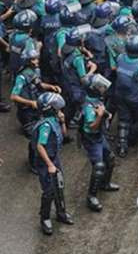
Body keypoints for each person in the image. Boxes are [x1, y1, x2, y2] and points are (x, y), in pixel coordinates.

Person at [32, 92, 74, 235]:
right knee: (48, 191)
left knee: (59, 186)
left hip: (55, 158)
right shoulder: (45, 125)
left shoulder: (54, 120)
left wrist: (62, 121)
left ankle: (61, 213)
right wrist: (50, 164)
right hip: (46, 162)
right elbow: (40, 146)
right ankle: (44, 218)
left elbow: (64, 135)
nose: (59, 111)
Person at [80, 74, 119, 212]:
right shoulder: (89, 107)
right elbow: (92, 126)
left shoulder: (96, 100)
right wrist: (101, 115)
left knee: (110, 158)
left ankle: (105, 184)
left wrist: (105, 113)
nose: (103, 88)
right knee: (99, 166)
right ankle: (91, 196)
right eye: (100, 87)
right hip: (92, 138)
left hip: (99, 136)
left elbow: (102, 109)